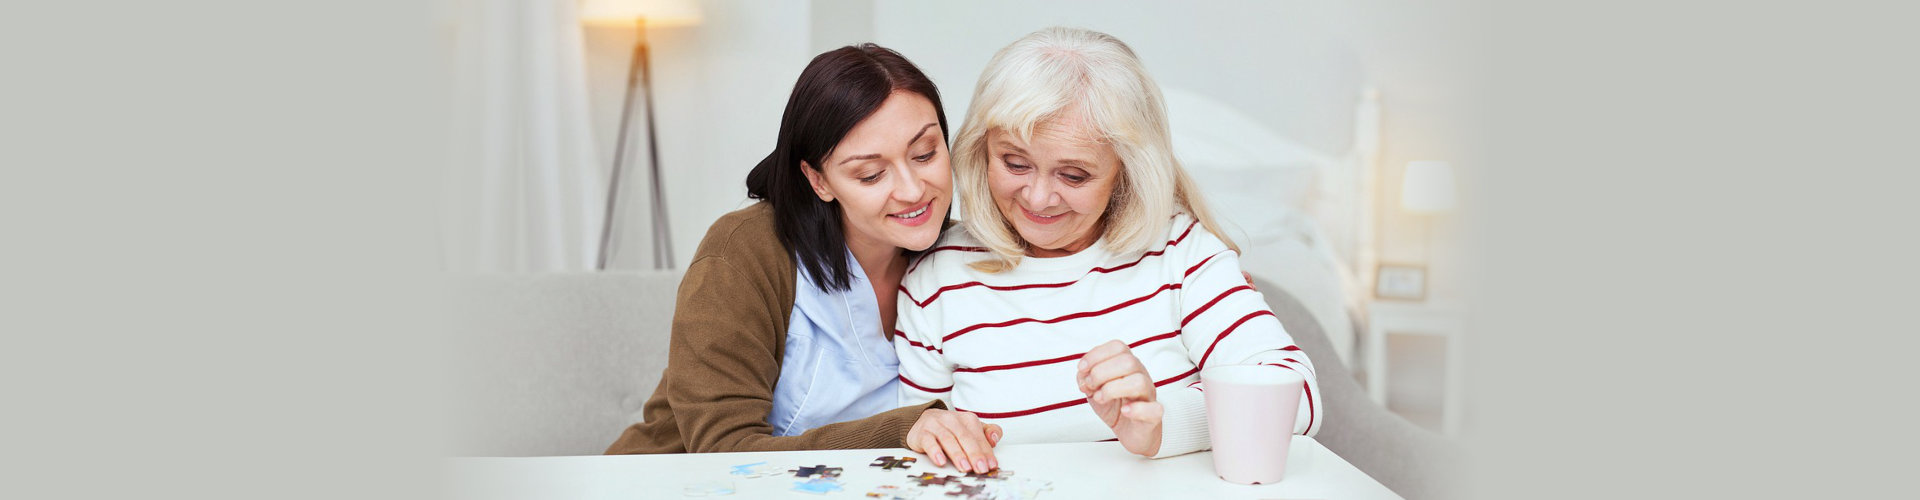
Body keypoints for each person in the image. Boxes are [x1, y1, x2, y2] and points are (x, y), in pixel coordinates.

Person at [894, 27, 1322, 459]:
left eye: (1074, 175)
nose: (1038, 197)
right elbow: (917, 445)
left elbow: (1297, 395)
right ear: (981, 149)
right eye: (1015, 162)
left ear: (1126, 171)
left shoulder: (1179, 249)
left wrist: (1160, 425)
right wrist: (928, 431)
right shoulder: (936, 276)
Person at [607, 44, 1003, 473]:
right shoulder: (745, 253)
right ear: (818, 180)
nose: (912, 190)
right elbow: (722, 451)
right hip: (665, 483)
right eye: (871, 174)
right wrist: (901, 431)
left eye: (925, 153)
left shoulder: (958, 254)